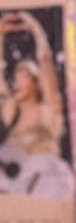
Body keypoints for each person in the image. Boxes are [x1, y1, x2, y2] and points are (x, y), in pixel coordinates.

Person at [0, 10, 64, 158]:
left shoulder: (48, 109)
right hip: (20, 179)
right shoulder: (12, 113)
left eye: (24, 76)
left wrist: (36, 30)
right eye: (16, 78)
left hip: (48, 176)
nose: (17, 83)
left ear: (35, 83)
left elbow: (45, 62)